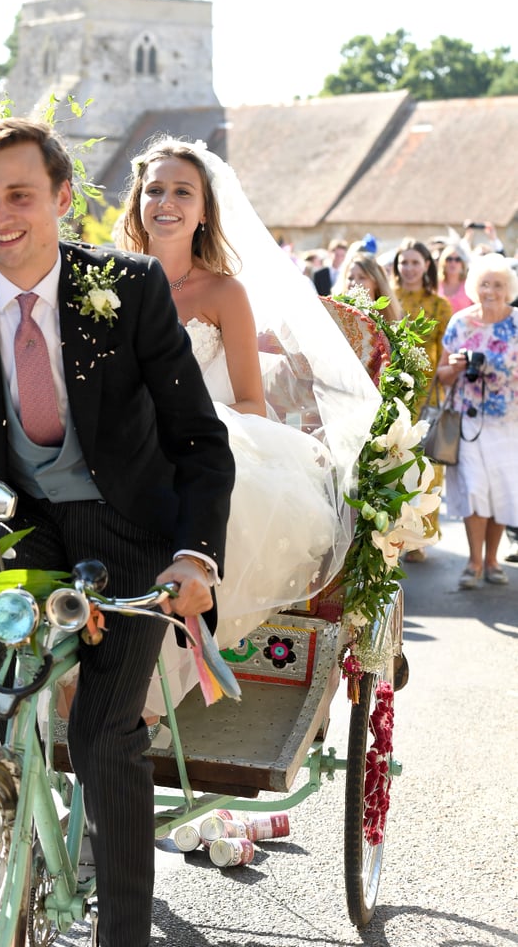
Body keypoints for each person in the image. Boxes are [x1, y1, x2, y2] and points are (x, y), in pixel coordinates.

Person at [0, 118, 235, 947]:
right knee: (0, 698)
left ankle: (122, 935)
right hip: (21, 527)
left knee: (101, 731)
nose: (1, 216)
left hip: (131, 527)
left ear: (63, 198)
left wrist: (195, 555)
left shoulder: (131, 285)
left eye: (20, 196)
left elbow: (196, 436)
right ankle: (11, 829)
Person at [116, 136, 380, 661]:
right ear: (138, 202)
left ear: (205, 211)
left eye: (183, 192)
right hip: (119, 440)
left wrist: (176, 426)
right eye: (155, 190)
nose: (166, 202)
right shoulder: (110, 281)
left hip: (205, 439)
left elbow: (251, 404)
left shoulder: (223, 293)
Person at [436, 253, 518, 588]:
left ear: (508, 288)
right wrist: (455, 367)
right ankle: (473, 563)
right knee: (474, 489)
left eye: (498, 285)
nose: (490, 291)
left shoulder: (516, 324)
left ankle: (492, 560)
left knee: (500, 489)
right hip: (467, 421)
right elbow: (441, 376)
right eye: (485, 283)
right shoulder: (460, 322)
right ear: (475, 286)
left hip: (509, 422)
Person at [390, 238, 453, 559]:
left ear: (427, 265)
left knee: (427, 464)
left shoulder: (440, 306)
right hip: (393, 390)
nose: (410, 268)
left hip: (427, 393)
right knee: (393, 461)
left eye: (416, 262)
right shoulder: (389, 298)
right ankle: (395, 535)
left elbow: (446, 352)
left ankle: (421, 538)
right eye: (405, 262)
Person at [335, 250, 403, 323]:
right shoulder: (337, 314)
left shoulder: (392, 319)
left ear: (376, 282)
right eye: (350, 278)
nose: (354, 282)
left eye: (362, 277)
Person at [437, 244, 473, 312]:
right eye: (449, 259)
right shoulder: (435, 285)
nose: (453, 263)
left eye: (457, 259)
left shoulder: (470, 285)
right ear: (443, 262)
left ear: (462, 264)